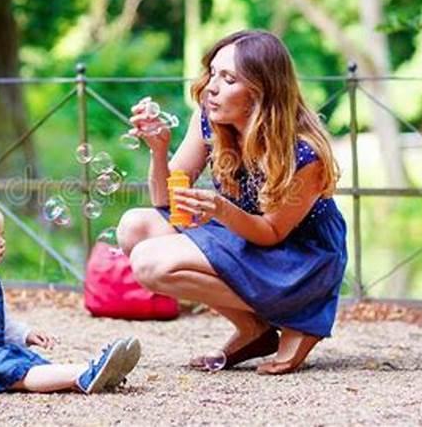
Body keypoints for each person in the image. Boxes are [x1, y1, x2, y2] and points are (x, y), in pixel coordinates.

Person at [117, 30, 347, 375]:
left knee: (151, 263)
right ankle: (255, 330)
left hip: (298, 257)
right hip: (242, 235)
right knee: (135, 227)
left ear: (260, 92)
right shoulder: (210, 119)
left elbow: (271, 233)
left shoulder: (303, 152)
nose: (211, 86)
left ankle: (300, 314)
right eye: (212, 72)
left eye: (228, 79)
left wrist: (221, 209)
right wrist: (159, 149)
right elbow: (164, 201)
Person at [0, 195, 141, 394]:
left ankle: (93, 376)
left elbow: (2, 324)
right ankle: (87, 372)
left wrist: (26, 334)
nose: (2, 242)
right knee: (20, 370)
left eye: (2, 235)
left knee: (29, 361)